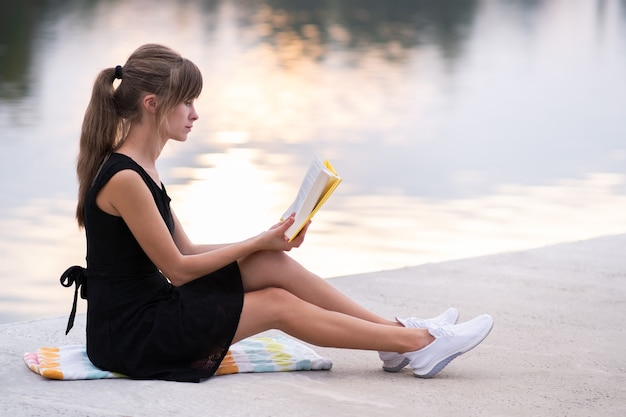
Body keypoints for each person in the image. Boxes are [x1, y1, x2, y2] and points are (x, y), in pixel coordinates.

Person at [61, 44, 493, 383]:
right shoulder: (126, 178)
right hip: (132, 336)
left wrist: (266, 240)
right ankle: (418, 342)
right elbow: (178, 268)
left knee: (271, 262)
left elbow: (186, 249)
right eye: (186, 102)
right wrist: (254, 241)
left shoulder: (143, 168)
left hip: (151, 310)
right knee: (276, 305)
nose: (195, 114)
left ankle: (392, 336)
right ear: (153, 104)